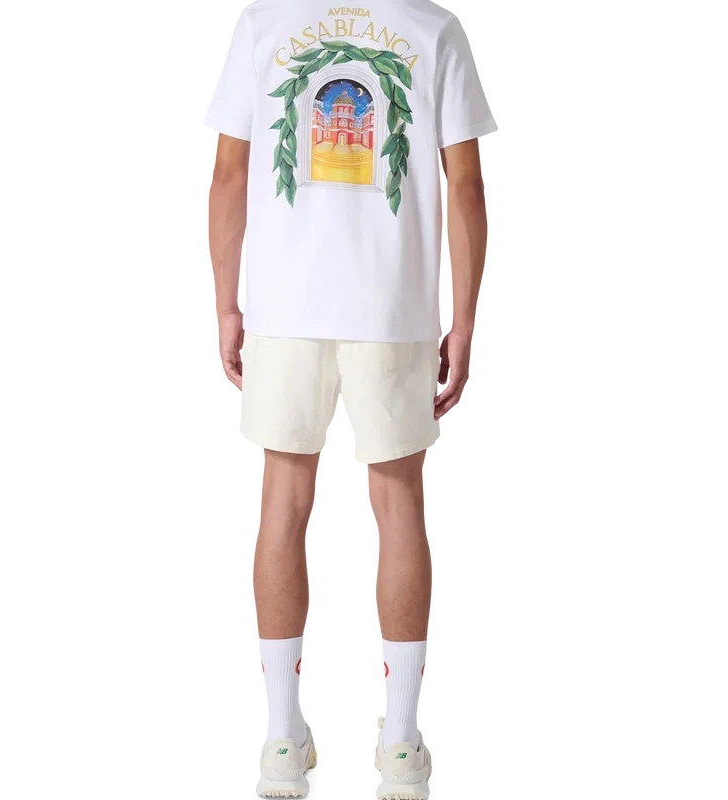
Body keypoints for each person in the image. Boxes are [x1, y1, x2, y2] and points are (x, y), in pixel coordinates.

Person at [206, 1, 491, 797]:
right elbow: (463, 185)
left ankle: (277, 743)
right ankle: (400, 751)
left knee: (281, 501)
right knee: (398, 505)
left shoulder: (261, 21)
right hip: (392, 303)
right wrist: (464, 318)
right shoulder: (433, 26)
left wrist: (225, 301)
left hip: (284, 303)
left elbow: (229, 172)